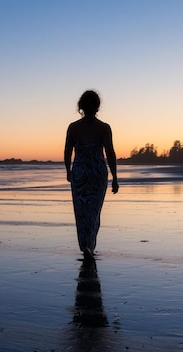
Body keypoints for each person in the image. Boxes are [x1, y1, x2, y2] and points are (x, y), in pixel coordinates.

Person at [64, 90, 118, 259]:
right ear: (97, 106)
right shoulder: (104, 128)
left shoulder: (73, 127)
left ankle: (85, 245)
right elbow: (110, 153)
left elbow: (67, 151)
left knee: (81, 211)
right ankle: (90, 244)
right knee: (94, 211)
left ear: (81, 106)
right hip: (97, 172)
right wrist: (115, 177)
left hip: (80, 172)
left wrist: (68, 171)